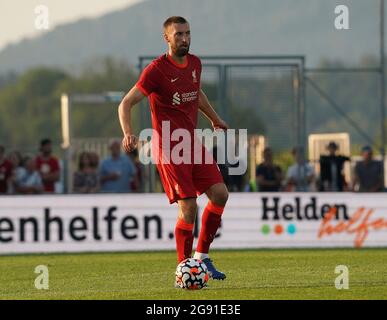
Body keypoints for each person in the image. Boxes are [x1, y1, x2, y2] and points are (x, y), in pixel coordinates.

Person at [118, 16, 229, 283]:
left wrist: (214, 118)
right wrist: (128, 133)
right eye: (178, 34)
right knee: (189, 205)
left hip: (192, 142)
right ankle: (184, 269)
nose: (184, 39)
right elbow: (125, 103)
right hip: (169, 146)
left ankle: (201, 257)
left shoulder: (195, 63)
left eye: (188, 33)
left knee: (220, 194)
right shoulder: (156, 70)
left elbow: (197, 93)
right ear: (167, 38)